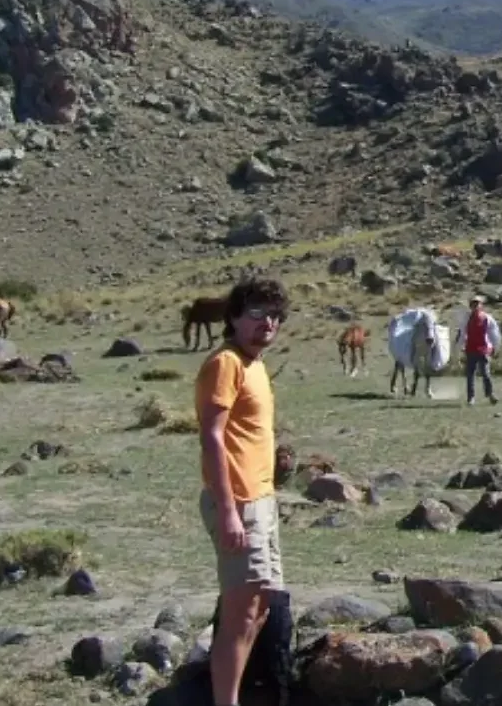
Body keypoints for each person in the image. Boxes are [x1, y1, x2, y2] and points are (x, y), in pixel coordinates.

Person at [194, 277, 289, 706]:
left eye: (274, 315)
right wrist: (230, 510)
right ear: (233, 318)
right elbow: (212, 438)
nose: (266, 323)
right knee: (239, 612)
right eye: (256, 313)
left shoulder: (255, 364)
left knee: (261, 604)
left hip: (261, 499)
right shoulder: (225, 363)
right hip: (239, 501)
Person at [458, 294, 501, 405]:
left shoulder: (487, 318)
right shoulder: (466, 319)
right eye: (473, 304)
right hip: (471, 348)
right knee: (470, 375)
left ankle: (490, 394)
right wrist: (460, 346)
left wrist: (495, 347)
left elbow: (493, 333)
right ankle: (471, 398)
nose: (475, 306)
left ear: (481, 305)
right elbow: (462, 333)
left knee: (486, 373)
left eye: (477, 303)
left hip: (483, 349)